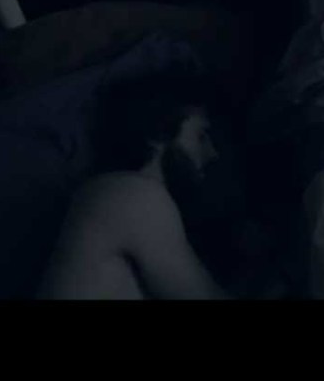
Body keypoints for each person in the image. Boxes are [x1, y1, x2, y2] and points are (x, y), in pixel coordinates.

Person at [38, 73, 281, 300]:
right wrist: (267, 266)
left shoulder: (118, 195)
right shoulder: (130, 194)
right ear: (158, 135)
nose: (211, 153)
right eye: (200, 136)